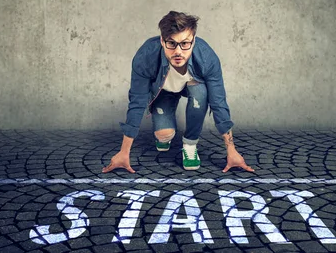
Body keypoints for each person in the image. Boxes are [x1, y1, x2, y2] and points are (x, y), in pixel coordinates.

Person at [102, 11, 254, 173]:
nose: (178, 52)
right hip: (163, 92)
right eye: (171, 43)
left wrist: (231, 150)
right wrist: (124, 152)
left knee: (201, 93)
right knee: (164, 135)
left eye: (185, 43)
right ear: (162, 40)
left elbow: (218, 102)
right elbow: (137, 101)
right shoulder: (145, 56)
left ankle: (190, 146)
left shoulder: (207, 58)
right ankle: (164, 123)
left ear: (194, 41)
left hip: (191, 87)